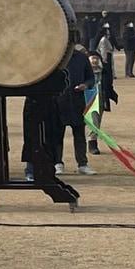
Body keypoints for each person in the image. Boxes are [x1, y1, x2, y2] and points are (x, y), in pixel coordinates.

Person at [53, 41, 96, 176]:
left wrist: (86, 85)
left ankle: (82, 164)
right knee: (57, 134)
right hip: (59, 101)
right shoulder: (55, 57)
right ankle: (57, 162)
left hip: (77, 102)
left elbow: (91, 78)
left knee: (79, 134)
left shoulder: (81, 58)